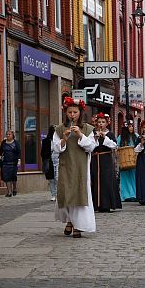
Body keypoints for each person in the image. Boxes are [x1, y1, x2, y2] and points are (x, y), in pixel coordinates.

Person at [54, 97, 96, 238]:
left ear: (80, 113)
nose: (72, 115)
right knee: (66, 193)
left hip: (81, 166)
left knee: (79, 193)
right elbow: (56, 149)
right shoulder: (59, 129)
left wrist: (80, 135)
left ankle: (79, 225)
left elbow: (91, 147)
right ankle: (70, 221)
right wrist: (64, 139)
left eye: (75, 112)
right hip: (66, 165)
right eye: (69, 112)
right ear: (66, 113)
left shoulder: (88, 128)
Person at [91, 112, 121, 212]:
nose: (101, 124)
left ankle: (106, 204)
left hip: (106, 159)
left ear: (106, 123)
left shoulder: (110, 134)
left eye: (103, 122)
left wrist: (104, 137)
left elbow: (114, 146)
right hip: (96, 159)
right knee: (95, 180)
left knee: (106, 181)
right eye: (99, 122)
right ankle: (96, 205)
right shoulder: (93, 133)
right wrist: (95, 137)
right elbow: (90, 145)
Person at [117, 120, 138, 202]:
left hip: (133, 160)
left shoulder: (135, 136)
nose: (131, 128)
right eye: (129, 126)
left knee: (133, 177)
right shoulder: (120, 137)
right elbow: (117, 146)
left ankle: (134, 194)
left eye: (132, 126)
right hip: (124, 160)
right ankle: (126, 195)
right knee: (125, 178)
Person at [0, 130, 21, 197]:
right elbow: (0, 150)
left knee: (13, 177)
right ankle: (9, 192)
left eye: (9, 134)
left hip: (13, 163)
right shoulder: (4, 142)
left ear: (12, 135)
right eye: (7, 134)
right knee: (6, 177)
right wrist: (0, 157)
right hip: (5, 162)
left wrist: (19, 160)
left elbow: (19, 152)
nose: (8, 135)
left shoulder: (16, 143)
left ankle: (14, 188)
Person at [41, 126, 57, 201]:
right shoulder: (46, 141)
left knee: (58, 178)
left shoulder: (59, 140)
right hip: (49, 160)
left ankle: (58, 194)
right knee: (51, 179)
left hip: (58, 160)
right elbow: (42, 152)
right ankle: (53, 194)